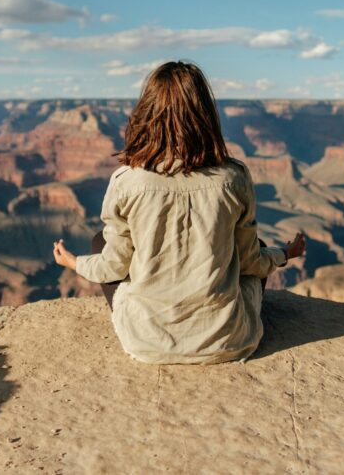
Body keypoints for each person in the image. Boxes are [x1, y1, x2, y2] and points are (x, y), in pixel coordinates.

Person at [53, 61, 305, 364]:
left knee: (100, 243)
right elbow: (251, 262)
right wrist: (284, 254)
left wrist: (73, 262)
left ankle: (153, 325)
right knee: (259, 247)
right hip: (228, 341)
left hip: (146, 343)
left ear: (146, 113)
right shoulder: (233, 177)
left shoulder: (126, 181)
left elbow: (114, 268)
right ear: (206, 115)